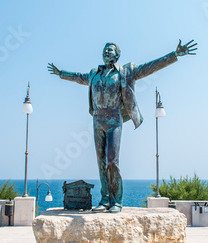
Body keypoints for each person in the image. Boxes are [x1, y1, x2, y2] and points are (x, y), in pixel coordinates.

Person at [48, 40, 197, 213]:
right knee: (101, 162)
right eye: (104, 50)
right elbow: (78, 77)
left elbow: (150, 67)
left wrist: (174, 55)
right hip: (97, 120)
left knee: (112, 161)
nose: (106, 52)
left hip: (114, 119)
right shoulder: (94, 73)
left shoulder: (126, 72)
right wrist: (61, 73)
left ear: (117, 55)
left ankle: (116, 201)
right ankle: (104, 200)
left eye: (110, 50)